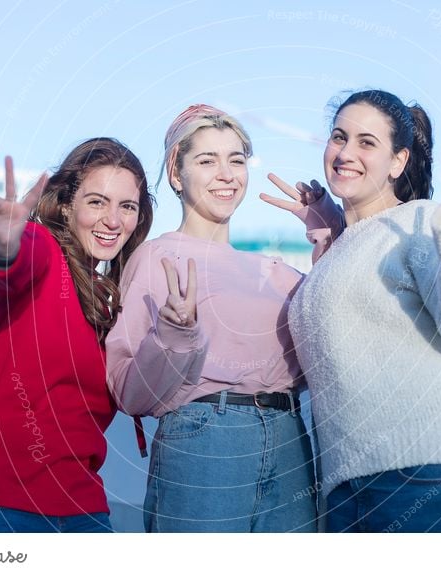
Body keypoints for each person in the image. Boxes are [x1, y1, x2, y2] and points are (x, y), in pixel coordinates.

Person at [267, 89, 441, 532]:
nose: (346, 152)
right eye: (339, 137)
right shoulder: (343, 248)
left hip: (434, 473)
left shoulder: (416, 222)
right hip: (350, 488)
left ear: (398, 162)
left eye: (367, 142)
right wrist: (328, 231)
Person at [106, 104, 341, 532]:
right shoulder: (156, 257)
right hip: (205, 443)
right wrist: (174, 337)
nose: (227, 173)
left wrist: (329, 229)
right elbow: (129, 394)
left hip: (290, 436)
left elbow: (334, 319)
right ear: (177, 175)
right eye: (207, 160)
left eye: (236, 160)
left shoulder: (276, 273)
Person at [0, 137, 154, 532]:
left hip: (81, 504)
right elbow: (14, 259)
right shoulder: (43, 251)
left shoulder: (108, 299)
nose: (113, 220)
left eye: (127, 206)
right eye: (96, 202)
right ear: (65, 205)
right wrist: (2, 242)